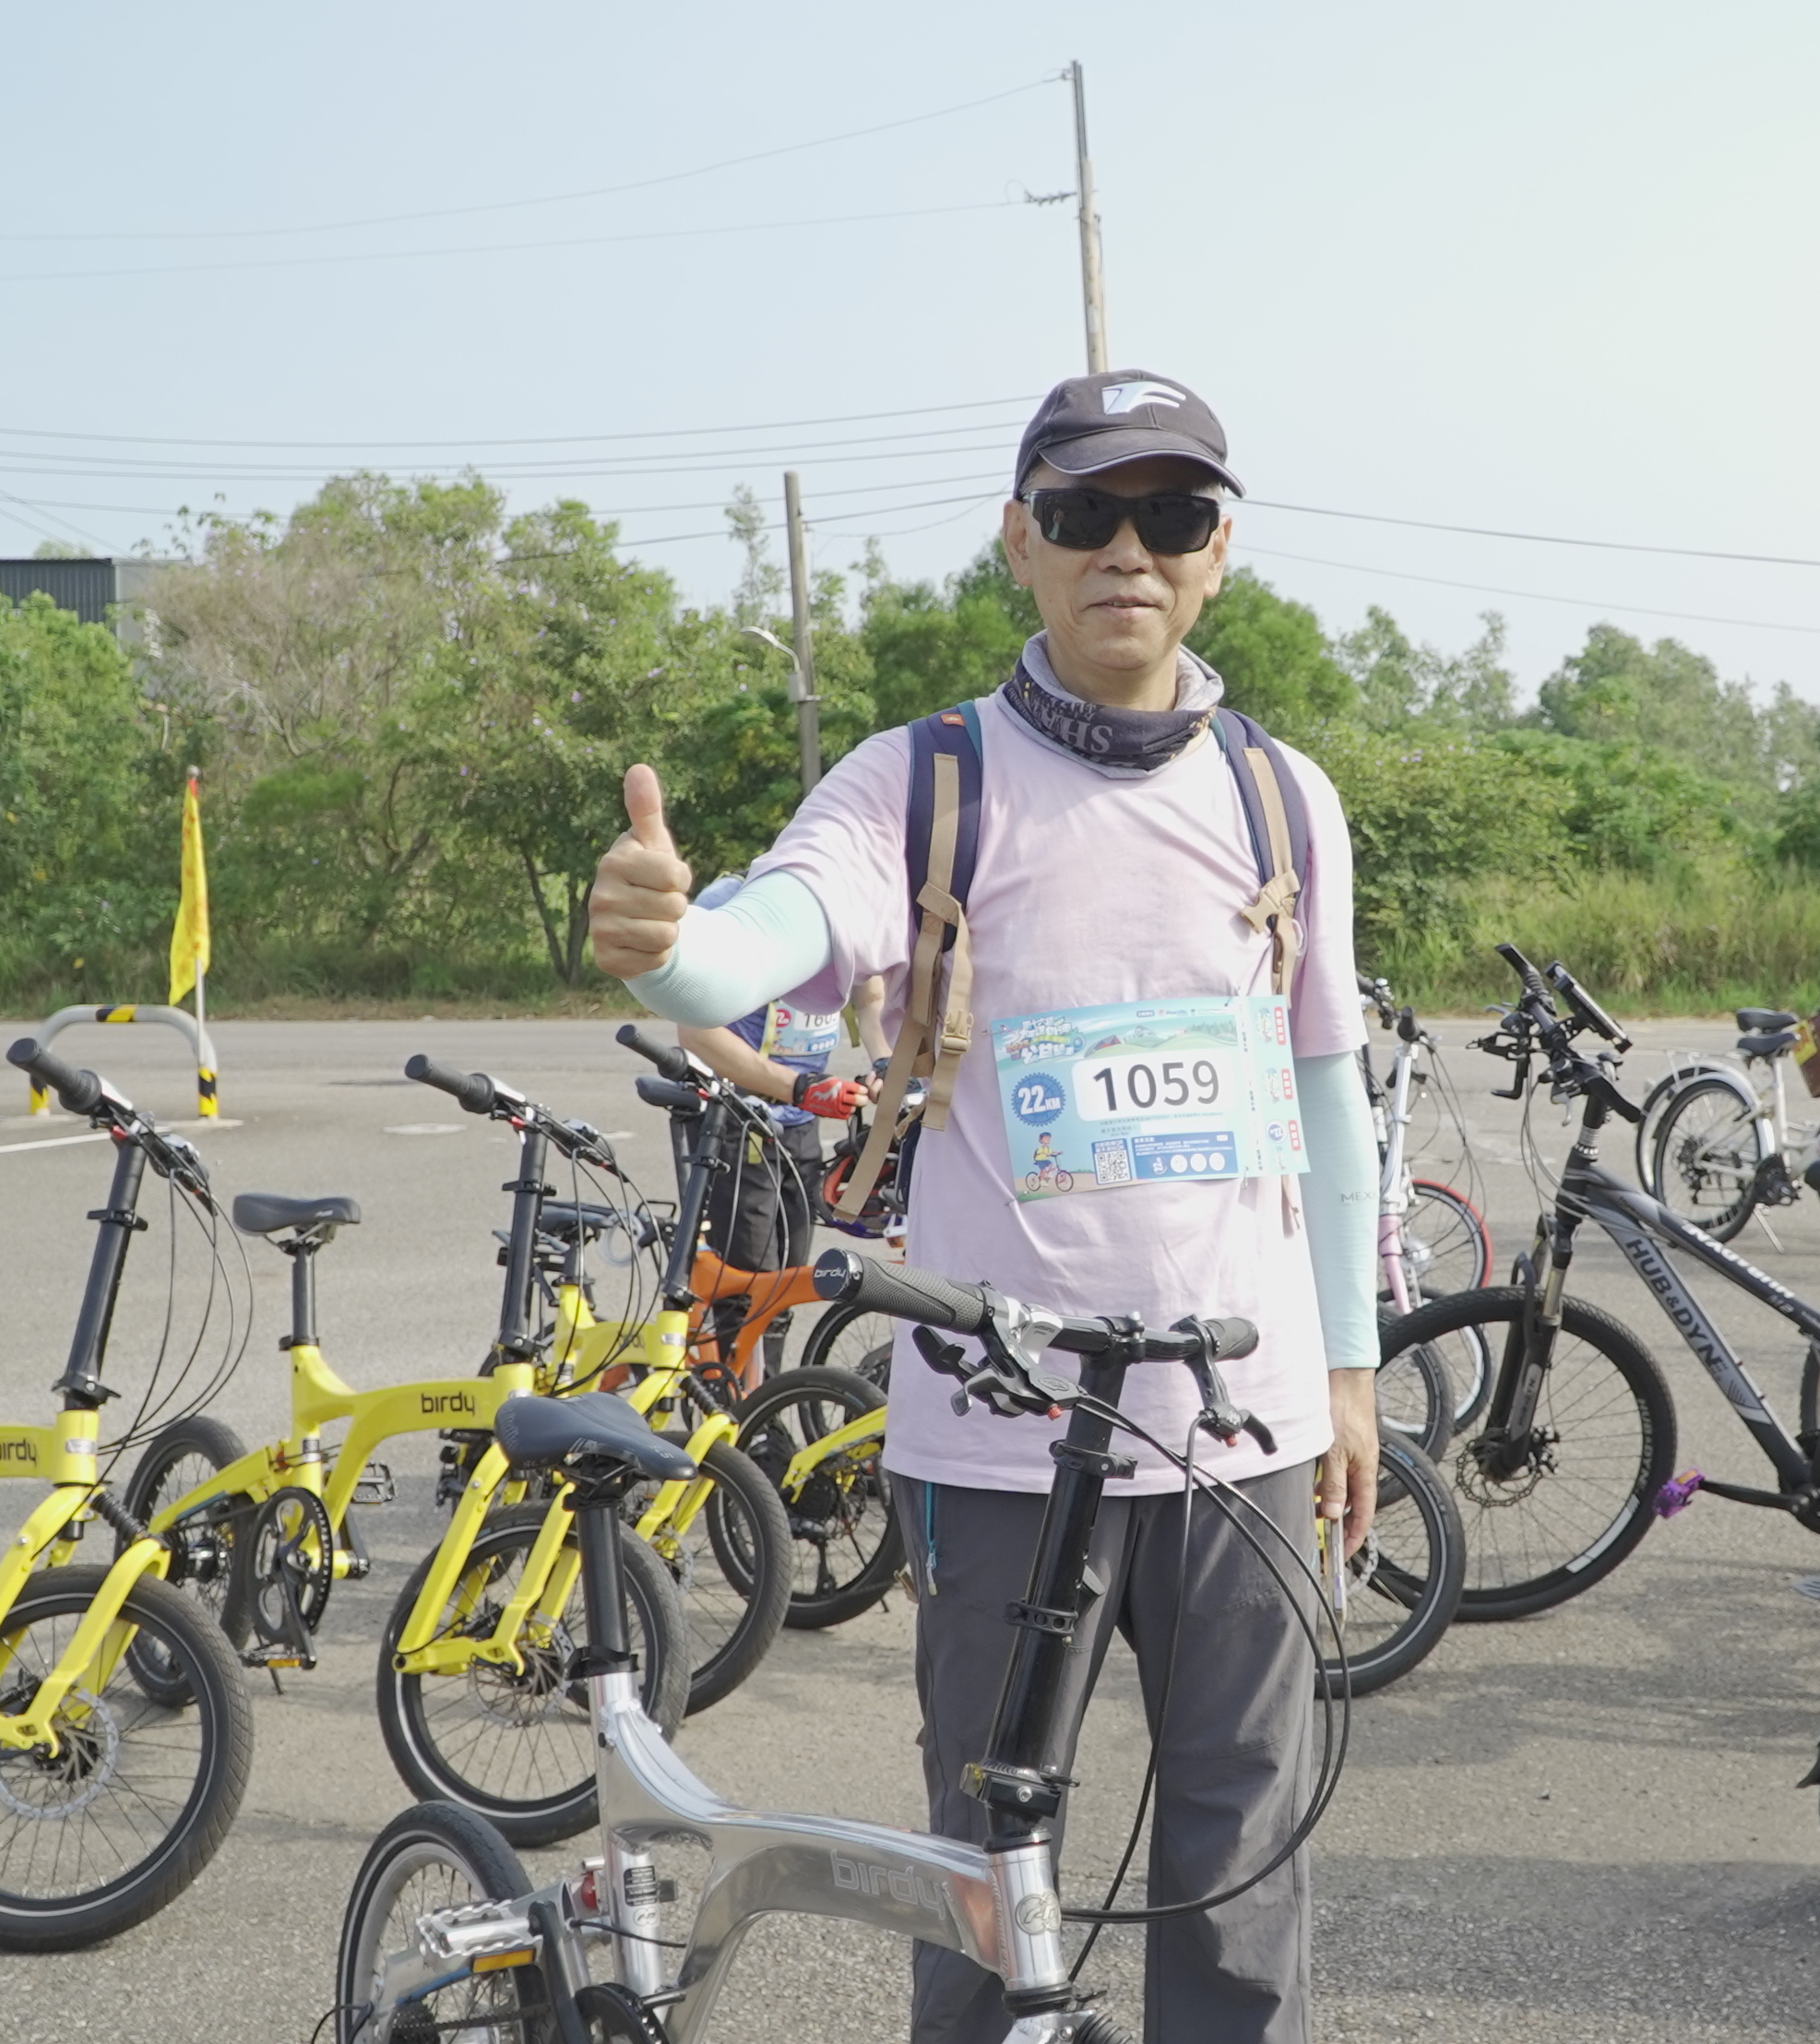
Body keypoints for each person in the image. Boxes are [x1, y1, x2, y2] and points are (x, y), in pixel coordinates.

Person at [589, 368, 1378, 2044]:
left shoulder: (1281, 793)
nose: (1126, 551)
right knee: (983, 1853)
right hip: (1001, 1430)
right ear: (1020, 539)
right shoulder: (922, 779)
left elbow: (1324, 1088)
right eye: (1084, 513)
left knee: (1243, 1847)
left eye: (1171, 515)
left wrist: (1355, 1367)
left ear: (1219, 550)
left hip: (1247, 1427)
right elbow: (771, 934)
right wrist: (673, 952)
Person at [671, 867, 872, 1287]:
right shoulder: (728, 903)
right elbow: (695, 1031)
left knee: (792, 1277)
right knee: (750, 1284)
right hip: (738, 1119)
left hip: (802, 1118)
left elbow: (872, 994)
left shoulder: (845, 902)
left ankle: (775, 1334)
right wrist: (797, 1086)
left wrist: (885, 1062)